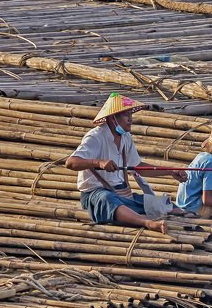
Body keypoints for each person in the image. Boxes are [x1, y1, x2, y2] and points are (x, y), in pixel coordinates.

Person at [66, 93, 188, 234]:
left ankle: (190, 217)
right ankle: (148, 223)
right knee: (108, 199)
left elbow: (139, 167)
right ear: (113, 118)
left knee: (164, 204)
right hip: (96, 195)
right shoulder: (96, 137)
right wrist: (98, 162)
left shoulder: (125, 137)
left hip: (123, 194)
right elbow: (71, 162)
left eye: (131, 114)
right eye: (126, 115)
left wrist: (170, 171)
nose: (130, 119)